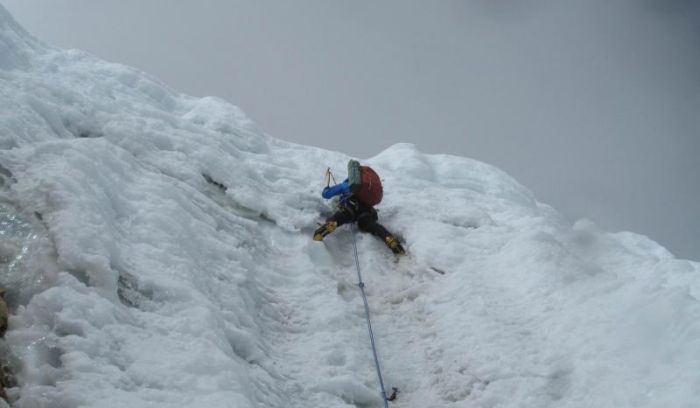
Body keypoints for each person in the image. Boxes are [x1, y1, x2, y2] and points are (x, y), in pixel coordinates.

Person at [313, 162, 406, 255]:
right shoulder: (368, 187)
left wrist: (326, 188)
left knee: (343, 216)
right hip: (367, 210)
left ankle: (332, 223)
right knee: (372, 225)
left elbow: (326, 194)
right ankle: (388, 238)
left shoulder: (346, 184)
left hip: (351, 206)